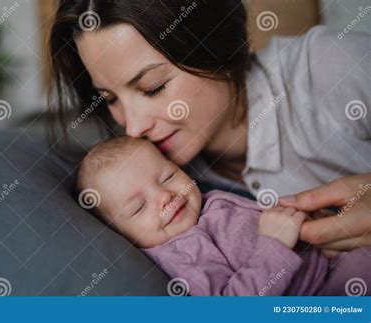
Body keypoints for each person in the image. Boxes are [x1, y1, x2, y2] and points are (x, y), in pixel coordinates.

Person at [48, 0, 371, 255]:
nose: (133, 127)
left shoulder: (332, 65)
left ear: (214, 43)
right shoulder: (158, 187)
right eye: (109, 98)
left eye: (154, 87)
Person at [76, 136, 370, 295]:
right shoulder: (183, 253)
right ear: (121, 235)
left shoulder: (204, 202)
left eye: (167, 177)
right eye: (138, 207)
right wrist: (274, 246)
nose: (165, 196)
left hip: (329, 262)